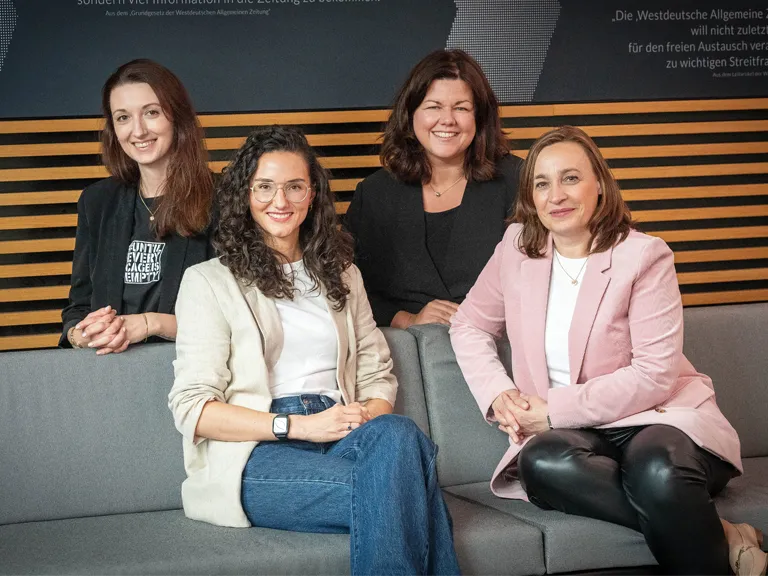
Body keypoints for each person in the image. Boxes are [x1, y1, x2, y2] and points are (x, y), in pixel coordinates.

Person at [450, 126, 766, 576]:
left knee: (656, 469)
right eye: (542, 183)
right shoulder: (517, 249)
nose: (556, 195)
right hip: (575, 437)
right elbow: (468, 325)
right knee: (541, 462)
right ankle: (724, 532)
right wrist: (498, 392)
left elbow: (655, 375)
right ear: (530, 195)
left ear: (600, 183)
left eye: (571, 178)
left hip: (655, 418)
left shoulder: (643, 256)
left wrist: (553, 410)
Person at [168, 126, 461, 576]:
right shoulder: (210, 281)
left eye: (294, 186)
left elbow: (375, 370)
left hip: (344, 430)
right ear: (245, 196)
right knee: (405, 487)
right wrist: (300, 426)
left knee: (400, 434)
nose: (279, 201)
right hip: (257, 451)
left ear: (312, 195)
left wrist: (364, 415)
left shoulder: (343, 274)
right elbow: (193, 410)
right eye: (264, 187)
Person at [346, 49, 521, 328]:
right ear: (411, 113)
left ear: (480, 117)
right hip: (404, 351)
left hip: (499, 344)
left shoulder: (518, 181)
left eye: (461, 108)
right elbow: (352, 287)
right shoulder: (374, 194)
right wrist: (408, 319)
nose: (447, 120)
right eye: (433, 106)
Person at [60, 59, 215, 354]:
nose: (138, 131)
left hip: (193, 371)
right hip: (111, 372)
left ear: (177, 117)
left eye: (151, 113)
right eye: (123, 118)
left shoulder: (222, 200)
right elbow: (78, 307)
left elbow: (238, 319)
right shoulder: (96, 202)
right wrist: (81, 335)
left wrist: (150, 324)